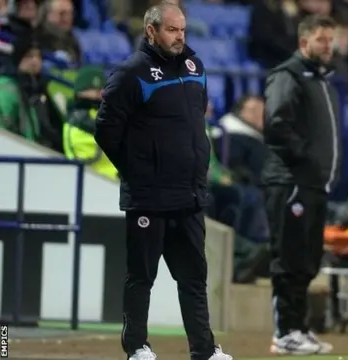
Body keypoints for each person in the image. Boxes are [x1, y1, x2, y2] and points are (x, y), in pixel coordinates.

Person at [94, 3, 232, 360]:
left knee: (193, 280)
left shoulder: (194, 66)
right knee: (142, 277)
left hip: (188, 195)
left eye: (183, 30)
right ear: (151, 31)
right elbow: (106, 131)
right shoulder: (130, 73)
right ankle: (137, 347)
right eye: (172, 30)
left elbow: (194, 122)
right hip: (149, 198)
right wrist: (138, 171)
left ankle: (204, 350)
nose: (180, 36)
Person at [261, 14, 342, 355]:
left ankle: (298, 328)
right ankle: (284, 332)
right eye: (321, 40)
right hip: (292, 182)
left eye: (330, 40)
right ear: (304, 41)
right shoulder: (288, 75)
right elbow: (277, 125)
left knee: (307, 260)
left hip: (313, 184)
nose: (328, 46)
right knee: (289, 259)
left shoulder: (320, 79)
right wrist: (306, 160)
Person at [63, 65, 118, 180]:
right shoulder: (79, 118)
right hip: (96, 180)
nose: (100, 94)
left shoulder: (99, 111)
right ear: (80, 92)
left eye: (102, 89)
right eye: (94, 89)